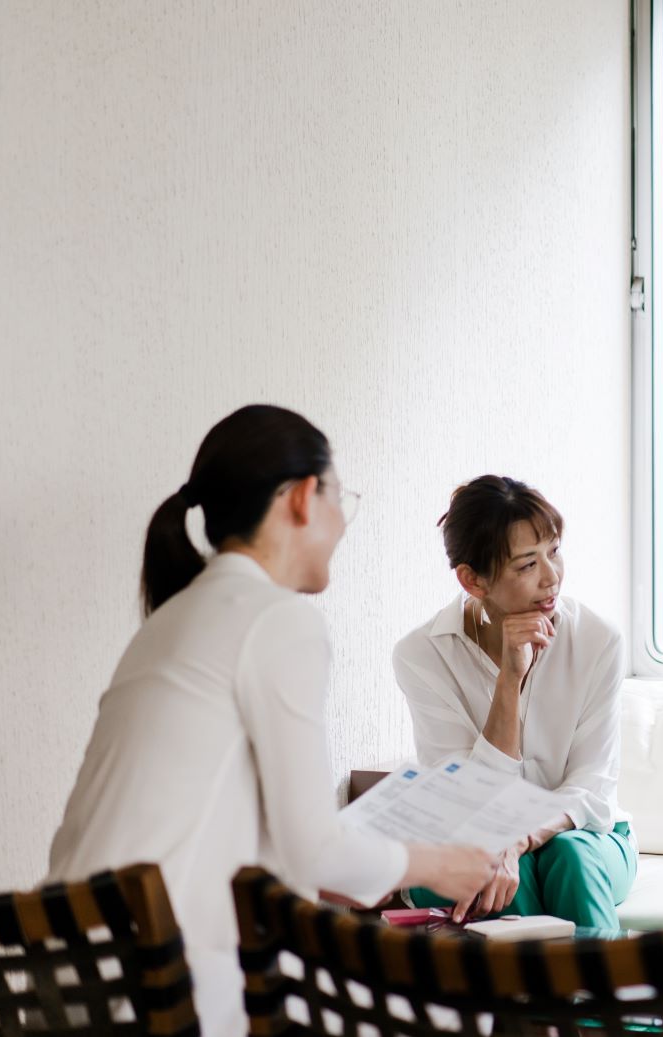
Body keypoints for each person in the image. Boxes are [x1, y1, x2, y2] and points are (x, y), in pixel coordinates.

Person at [48, 405, 495, 1037]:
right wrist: (440, 865)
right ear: (305, 498)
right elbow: (312, 851)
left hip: (76, 977)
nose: (343, 523)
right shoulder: (276, 618)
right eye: (342, 498)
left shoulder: (170, 622)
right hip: (167, 991)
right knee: (471, 1010)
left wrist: (359, 867)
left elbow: (259, 842)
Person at [393, 475, 634, 929]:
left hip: (584, 838)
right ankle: (522, 997)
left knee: (571, 857)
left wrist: (519, 839)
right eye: (527, 565)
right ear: (473, 579)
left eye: (554, 551)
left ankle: (606, 996)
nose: (551, 577)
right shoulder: (423, 654)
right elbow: (465, 800)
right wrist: (509, 678)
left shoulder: (598, 639)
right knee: (498, 874)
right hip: (464, 840)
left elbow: (592, 786)